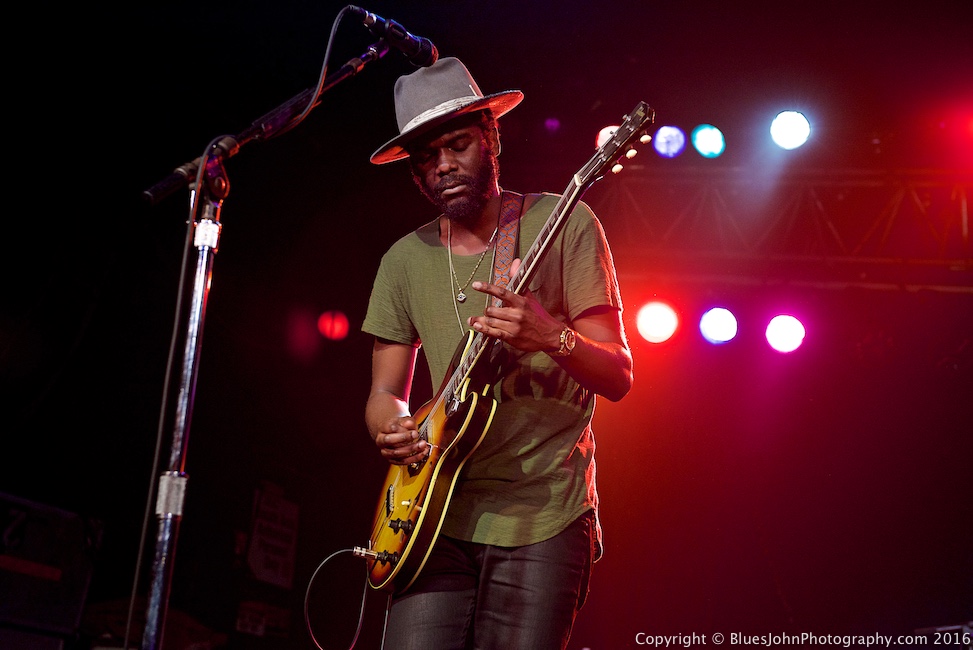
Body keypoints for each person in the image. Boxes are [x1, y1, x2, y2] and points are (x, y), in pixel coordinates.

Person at [361, 56, 633, 649]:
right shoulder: (401, 261)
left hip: (543, 516)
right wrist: (394, 429)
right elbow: (385, 395)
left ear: (492, 140)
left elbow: (618, 374)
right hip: (432, 516)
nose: (444, 167)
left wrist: (551, 337)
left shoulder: (564, 223)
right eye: (426, 159)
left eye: (457, 146)